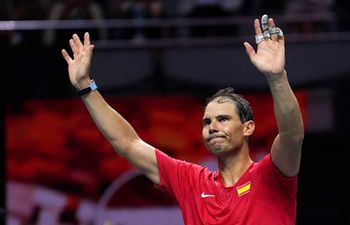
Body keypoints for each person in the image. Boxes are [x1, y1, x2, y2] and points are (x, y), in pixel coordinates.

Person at [61, 14, 304, 225]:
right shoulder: (191, 182)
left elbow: (292, 134)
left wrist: (276, 77)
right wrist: (85, 87)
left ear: (248, 127)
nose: (213, 127)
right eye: (207, 122)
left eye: (223, 119)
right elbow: (128, 143)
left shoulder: (272, 175)